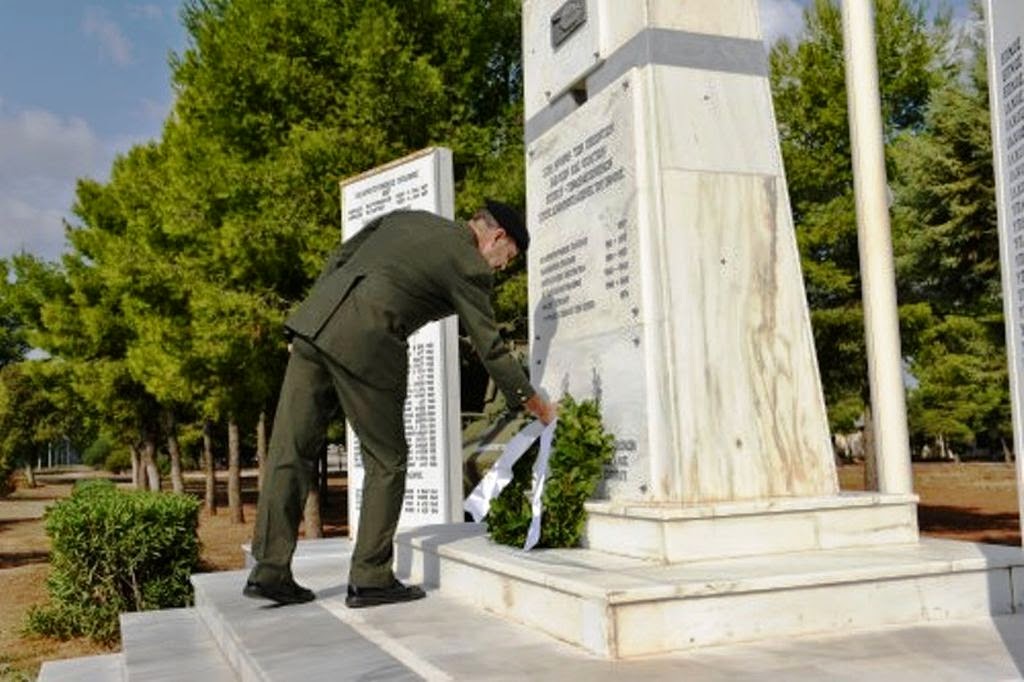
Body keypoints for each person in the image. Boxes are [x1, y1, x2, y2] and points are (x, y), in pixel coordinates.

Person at [244, 199, 557, 608]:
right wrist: (531, 401)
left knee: (290, 451)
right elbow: (490, 347)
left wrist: (316, 315)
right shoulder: (469, 264)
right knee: (387, 460)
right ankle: (371, 577)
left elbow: (339, 255)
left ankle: (269, 570)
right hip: (368, 344)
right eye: (508, 257)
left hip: (313, 330)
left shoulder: (408, 217)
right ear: (496, 236)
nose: (501, 267)